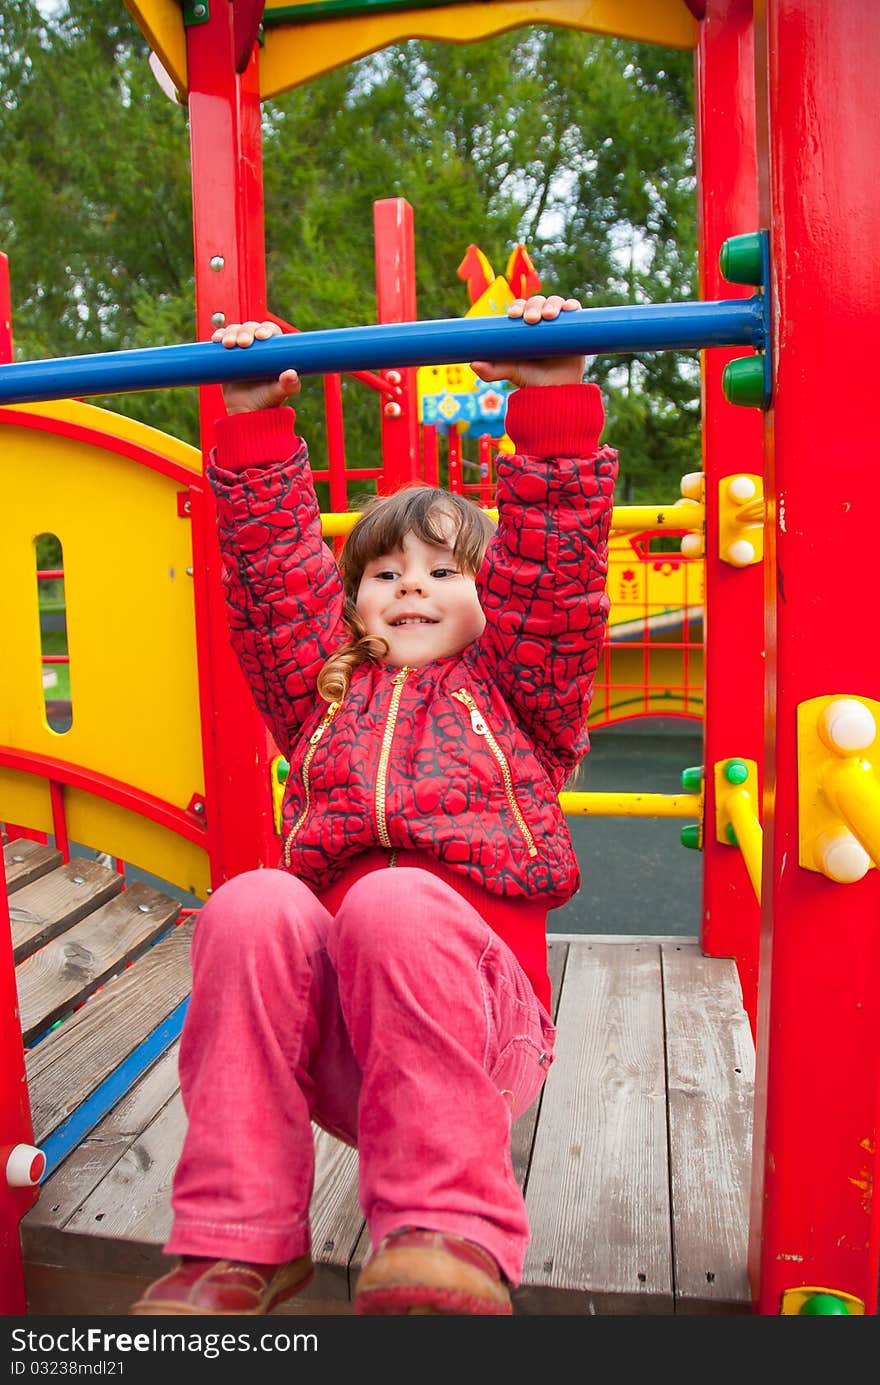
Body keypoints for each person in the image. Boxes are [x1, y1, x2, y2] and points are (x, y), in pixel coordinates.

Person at [129, 294, 618, 1317]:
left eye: (445, 571)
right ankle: (235, 1245)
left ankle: (445, 1234)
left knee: (392, 908)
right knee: (252, 900)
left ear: (492, 600)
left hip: (476, 1029)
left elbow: (554, 577)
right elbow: (269, 577)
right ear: (353, 600)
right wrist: (256, 415)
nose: (410, 585)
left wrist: (553, 401)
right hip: (339, 1033)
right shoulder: (323, 692)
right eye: (384, 571)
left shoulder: (520, 688)